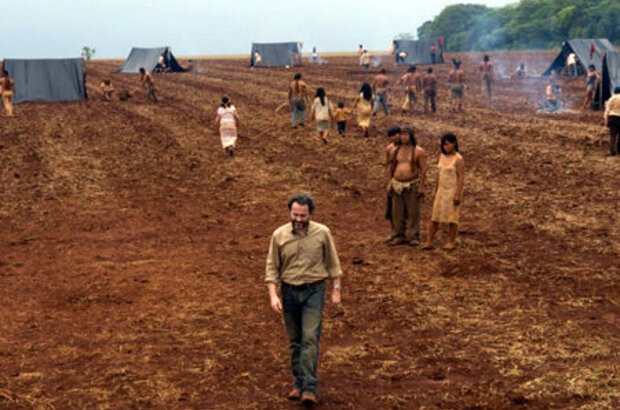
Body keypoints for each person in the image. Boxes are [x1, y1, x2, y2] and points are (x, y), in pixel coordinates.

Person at [265, 193, 343, 407]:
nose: (299, 219)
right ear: (290, 212)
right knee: (294, 341)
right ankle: (297, 383)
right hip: (289, 292)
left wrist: (336, 289)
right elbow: (272, 267)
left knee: (310, 338)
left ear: (311, 214)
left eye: (303, 215)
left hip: (314, 291)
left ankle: (309, 388)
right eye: (295, 215)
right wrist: (273, 295)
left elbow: (333, 263)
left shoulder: (322, 233)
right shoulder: (279, 235)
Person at [385, 126, 427, 246]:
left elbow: (423, 170)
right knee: (397, 212)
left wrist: (421, 186)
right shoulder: (395, 150)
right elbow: (390, 167)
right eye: (402, 134)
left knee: (413, 211)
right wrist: (390, 183)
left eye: (406, 135)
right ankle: (399, 235)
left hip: (412, 184)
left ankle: (414, 235)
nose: (404, 137)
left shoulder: (419, 151)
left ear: (411, 136)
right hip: (397, 184)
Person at [423, 133, 465, 250]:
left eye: (448, 144)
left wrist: (458, 194)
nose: (445, 147)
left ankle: (451, 242)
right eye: (444, 144)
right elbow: (438, 175)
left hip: (452, 191)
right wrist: (436, 191)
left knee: (452, 218)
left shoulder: (458, 159)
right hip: (441, 191)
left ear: (454, 144)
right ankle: (429, 241)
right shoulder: (441, 156)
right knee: (435, 217)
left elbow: (461, 177)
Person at [604, 86, 620, 156]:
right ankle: (619, 150)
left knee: (612, 135)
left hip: (612, 117)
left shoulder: (611, 99)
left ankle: (612, 151)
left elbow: (607, 111)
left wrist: (606, 121)